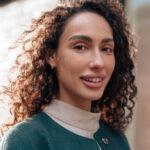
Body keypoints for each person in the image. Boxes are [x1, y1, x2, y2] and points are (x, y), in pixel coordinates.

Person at [0, 0, 137, 149]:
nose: (99, 62)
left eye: (106, 49)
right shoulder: (26, 140)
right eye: (80, 47)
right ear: (51, 55)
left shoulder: (117, 140)